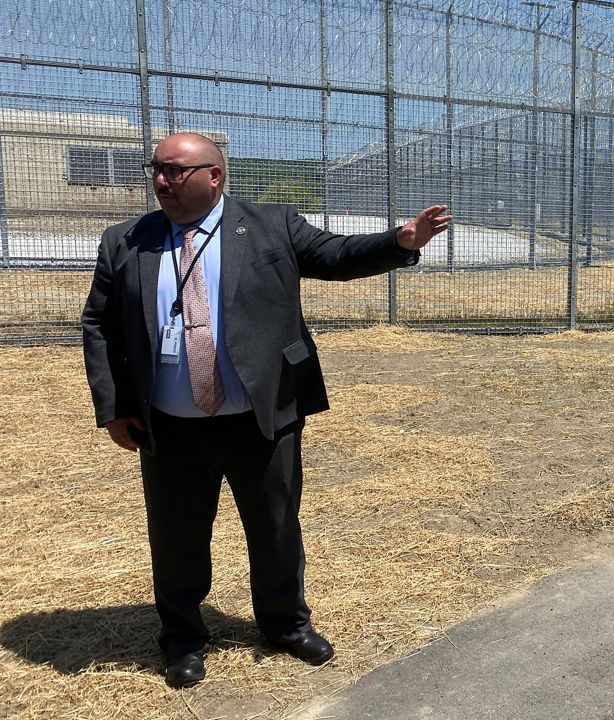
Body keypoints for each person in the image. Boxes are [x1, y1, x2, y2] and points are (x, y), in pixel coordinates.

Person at [81, 132, 451, 689]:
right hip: (170, 427)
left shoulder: (272, 223)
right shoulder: (125, 241)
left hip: (262, 417)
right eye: (155, 170)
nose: (162, 182)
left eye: (176, 172)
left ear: (215, 176)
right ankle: (182, 638)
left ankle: (283, 625)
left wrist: (400, 241)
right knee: (176, 538)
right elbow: (100, 326)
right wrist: (113, 408)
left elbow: (335, 256)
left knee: (276, 527)